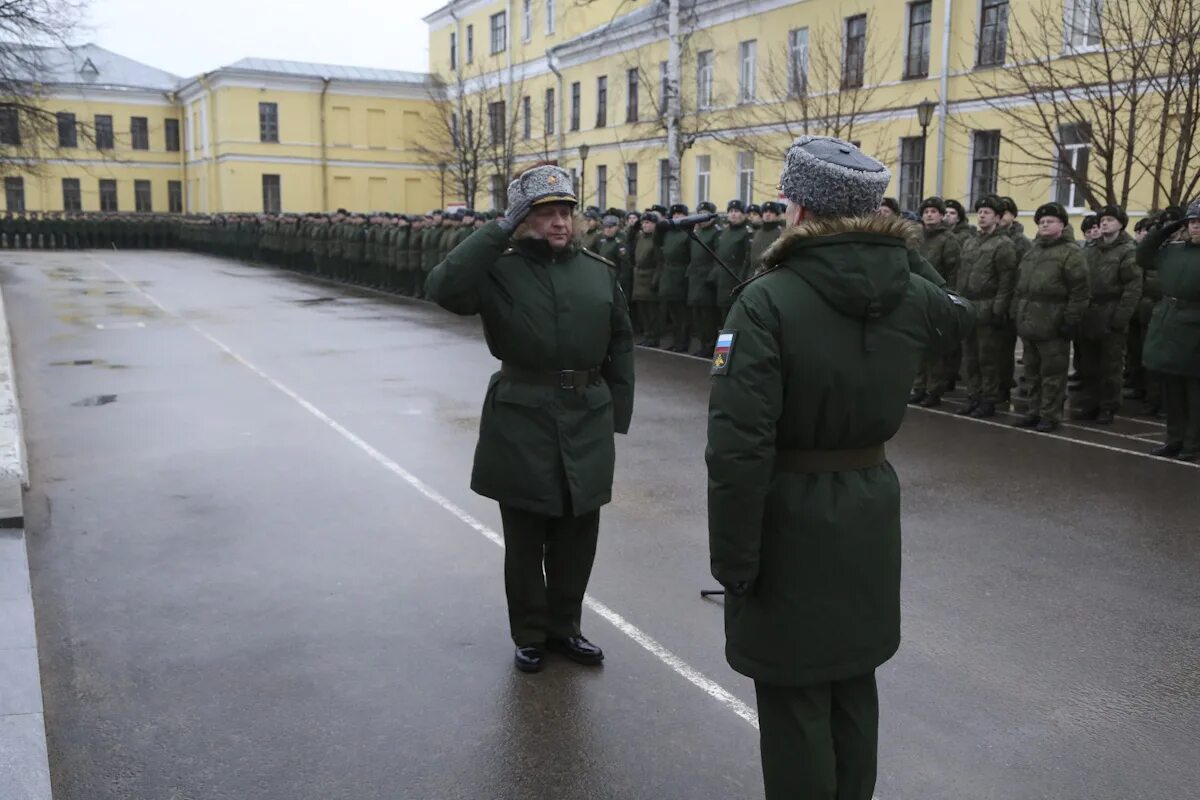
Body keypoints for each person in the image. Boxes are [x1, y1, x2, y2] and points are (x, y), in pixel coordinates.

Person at [707, 135, 974, 800]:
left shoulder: (765, 301)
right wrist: (900, 248)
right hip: (869, 507)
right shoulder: (910, 291)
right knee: (854, 684)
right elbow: (959, 319)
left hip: (788, 514)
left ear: (796, 210)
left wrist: (734, 560)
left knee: (795, 698)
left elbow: (738, 445)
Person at [425, 164, 635, 671]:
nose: (559, 222)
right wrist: (497, 231)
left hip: (586, 417)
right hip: (522, 418)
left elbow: (621, 344)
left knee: (577, 535)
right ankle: (530, 633)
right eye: (544, 214)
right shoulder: (498, 269)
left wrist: (615, 418)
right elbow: (442, 288)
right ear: (522, 221)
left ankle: (567, 628)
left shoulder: (598, 271)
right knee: (525, 538)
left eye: (565, 211)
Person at [1010, 202, 1090, 433]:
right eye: (1041, 222)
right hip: (1029, 321)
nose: (1044, 225)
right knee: (1032, 373)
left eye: (1050, 221)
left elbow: (1080, 291)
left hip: (1053, 322)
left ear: (1062, 225)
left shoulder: (1071, 252)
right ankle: (1034, 411)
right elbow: (1021, 285)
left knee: (1052, 374)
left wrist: (1070, 320)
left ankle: (1050, 415)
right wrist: (1017, 312)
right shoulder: (1033, 250)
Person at [1140, 200, 1200, 461]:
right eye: (1193, 223)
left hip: (1196, 326)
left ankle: (1193, 444)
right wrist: (1166, 229)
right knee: (1172, 389)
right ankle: (1174, 439)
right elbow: (1141, 256)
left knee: (1195, 392)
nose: (1196, 228)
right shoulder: (1173, 251)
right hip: (1170, 323)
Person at [1073, 205, 1141, 424]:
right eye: (1102, 220)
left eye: (1110, 219)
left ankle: (1108, 406)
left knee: (1110, 365)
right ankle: (1090, 403)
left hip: (1112, 311)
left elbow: (1133, 287)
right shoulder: (1090, 248)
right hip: (1090, 312)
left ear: (1121, 224)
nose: (1104, 223)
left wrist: (1121, 317)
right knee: (1088, 364)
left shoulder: (1128, 250)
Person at [956, 194, 1018, 418]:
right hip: (970, 306)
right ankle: (974, 396)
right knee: (970, 358)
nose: (982, 216)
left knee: (988, 359)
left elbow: (1007, 281)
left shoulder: (1004, 245)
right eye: (980, 212)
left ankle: (989, 399)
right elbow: (962, 275)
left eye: (987, 213)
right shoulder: (971, 242)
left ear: (998, 217)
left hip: (989, 306)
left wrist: (998, 309)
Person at [909, 196, 962, 407]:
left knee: (935, 348)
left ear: (941, 215)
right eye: (926, 211)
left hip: (937, 296)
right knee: (919, 347)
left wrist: (949, 297)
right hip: (916, 295)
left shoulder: (948, 240)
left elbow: (953, 272)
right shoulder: (916, 237)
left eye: (934, 211)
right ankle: (919, 387)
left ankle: (934, 389)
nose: (929, 215)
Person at [656, 203, 693, 352]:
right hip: (668, 275)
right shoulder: (668, 233)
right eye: (675, 214)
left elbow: (691, 256)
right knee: (672, 314)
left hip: (681, 274)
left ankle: (683, 342)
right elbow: (658, 244)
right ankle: (676, 341)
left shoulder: (688, 234)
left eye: (680, 214)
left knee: (683, 314)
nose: (677, 217)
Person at [686, 201, 722, 356]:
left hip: (707, 278)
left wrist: (712, 276)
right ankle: (702, 343)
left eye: (705, 214)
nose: (702, 218)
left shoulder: (716, 233)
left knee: (708, 316)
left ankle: (710, 344)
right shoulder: (697, 231)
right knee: (697, 314)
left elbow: (718, 256)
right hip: (695, 278)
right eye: (699, 214)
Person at [715, 200, 752, 322]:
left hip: (736, 277)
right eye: (731, 211)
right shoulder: (724, 232)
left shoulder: (747, 232)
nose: (733, 214)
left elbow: (747, 259)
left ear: (744, 214)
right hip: (722, 277)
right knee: (722, 315)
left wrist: (741, 280)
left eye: (737, 211)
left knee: (734, 316)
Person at [632, 212, 662, 345]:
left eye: (648, 223)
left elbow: (659, 262)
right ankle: (647, 334)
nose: (645, 225)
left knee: (652, 312)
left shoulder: (656, 240)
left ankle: (653, 337)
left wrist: (655, 279)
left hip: (650, 277)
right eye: (643, 223)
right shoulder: (640, 238)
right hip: (639, 277)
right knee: (643, 311)